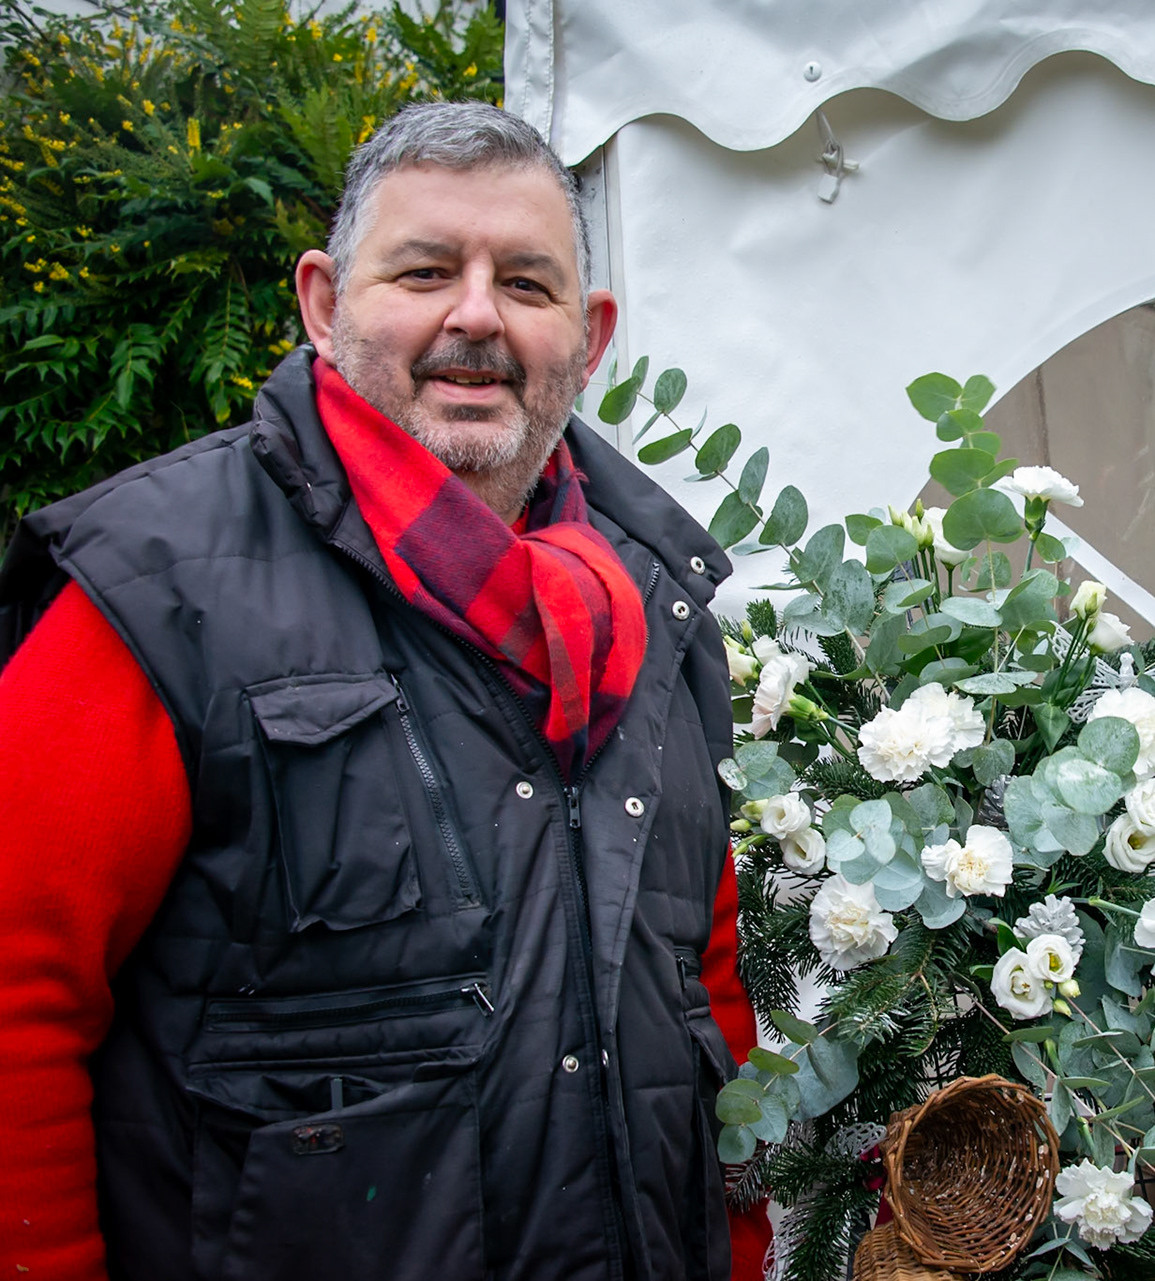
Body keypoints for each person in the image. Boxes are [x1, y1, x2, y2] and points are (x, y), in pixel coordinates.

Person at [0, 102, 766, 1280]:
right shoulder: (159, 590)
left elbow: (699, 986)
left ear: (591, 336)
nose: (477, 315)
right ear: (322, 305)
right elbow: (17, 1000)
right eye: (424, 272)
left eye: (527, 283)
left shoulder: (657, 612)